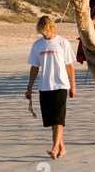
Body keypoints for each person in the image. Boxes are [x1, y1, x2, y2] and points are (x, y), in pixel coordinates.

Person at [25, 16, 76, 159]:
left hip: (61, 85)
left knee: (59, 120)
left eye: (47, 31)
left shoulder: (62, 43)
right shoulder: (37, 45)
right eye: (42, 32)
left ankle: (54, 149)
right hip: (45, 87)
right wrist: (29, 88)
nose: (45, 34)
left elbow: (70, 66)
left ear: (52, 28)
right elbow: (34, 68)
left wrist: (73, 85)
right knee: (53, 121)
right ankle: (63, 148)